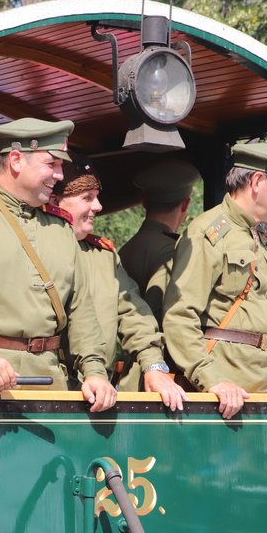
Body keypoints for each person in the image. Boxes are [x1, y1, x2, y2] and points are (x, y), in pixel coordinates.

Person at [0, 118, 116, 410]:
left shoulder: (59, 226)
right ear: (16, 160)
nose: (59, 175)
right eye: (52, 164)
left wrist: (94, 371)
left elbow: (81, 308)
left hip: (50, 382)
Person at [162, 142, 267, 418]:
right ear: (257, 181)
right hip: (221, 395)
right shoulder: (208, 232)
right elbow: (179, 316)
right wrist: (212, 380)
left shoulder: (260, 236)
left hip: (263, 391)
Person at [50, 155, 186, 409]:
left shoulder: (103, 256)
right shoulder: (35, 251)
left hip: (99, 394)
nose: (99, 206)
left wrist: (154, 366)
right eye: (87, 198)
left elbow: (134, 315)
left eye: (97, 196)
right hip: (46, 393)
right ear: (55, 201)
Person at [118, 158, 199, 323]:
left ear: (144, 202)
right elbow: (163, 314)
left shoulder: (125, 250)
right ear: (185, 205)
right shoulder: (172, 251)